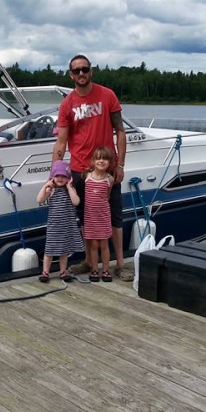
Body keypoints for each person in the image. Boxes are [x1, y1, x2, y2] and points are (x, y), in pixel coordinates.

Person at [52, 54, 131, 280]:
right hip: (79, 170)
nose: (81, 74)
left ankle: (119, 264)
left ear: (91, 71)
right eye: (76, 71)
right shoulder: (67, 104)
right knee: (86, 218)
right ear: (71, 75)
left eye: (84, 69)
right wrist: (55, 172)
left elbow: (121, 131)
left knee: (114, 217)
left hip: (107, 169)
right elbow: (61, 142)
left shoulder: (107, 95)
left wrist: (121, 164)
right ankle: (89, 261)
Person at [36, 160, 84, 282]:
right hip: (54, 226)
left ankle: (63, 271)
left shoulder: (70, 190)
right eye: (57, 175)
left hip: (67, 226)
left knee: (64, 251)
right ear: (53, 177)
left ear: (68, 177)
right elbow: (39, 199)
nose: (60, 178)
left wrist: (69, 187)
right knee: (49, 250)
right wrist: (46, 185)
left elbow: (76, 202)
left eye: (64, 176)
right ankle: (45, 272)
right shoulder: (51, 190)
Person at [82, 147, 114, 282]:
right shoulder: (87, 176)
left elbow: (107, 196)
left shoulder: (109, 179)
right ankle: (95, 269)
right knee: (93, 245)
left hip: (103, 216)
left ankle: (105, 270)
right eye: (98, 158)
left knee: (104, 245)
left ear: (109, 162)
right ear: (93, 161)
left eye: (105, 159)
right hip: (90, 217)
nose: (101, 161)